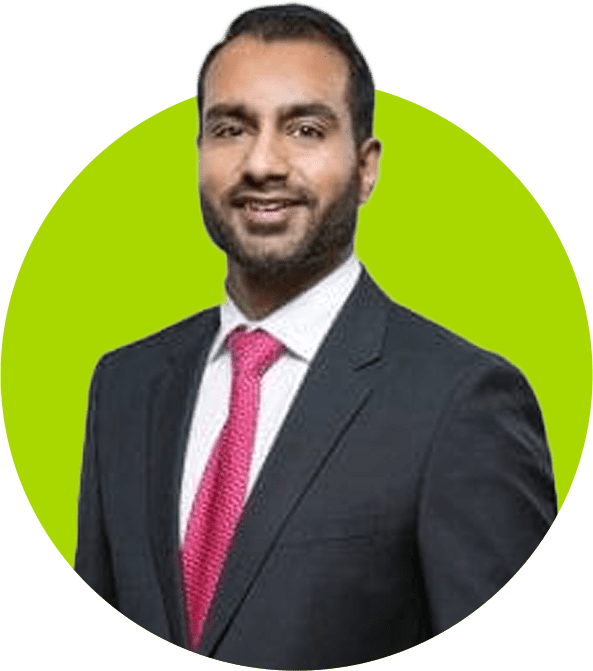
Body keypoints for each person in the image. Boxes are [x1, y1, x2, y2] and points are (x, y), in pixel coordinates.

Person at [75, 4, 557, 668]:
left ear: (366, 168)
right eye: (230, 128)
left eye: (304, 128)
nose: (262, 162)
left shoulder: (462, 400)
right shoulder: (123, 386)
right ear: (199, 155)